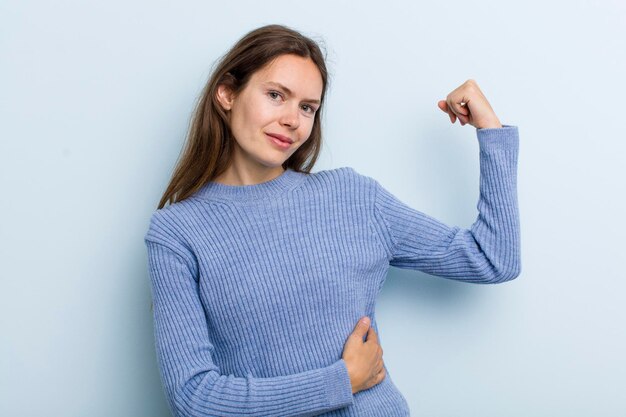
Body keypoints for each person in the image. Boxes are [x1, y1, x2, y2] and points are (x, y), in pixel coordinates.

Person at [144, 24, 520, 417]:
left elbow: (493, 258)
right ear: (227, 93)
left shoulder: (352, 197)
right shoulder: (176, 233)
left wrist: (491, 132)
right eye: (276, 95)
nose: (293, 119)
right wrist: (342, 381)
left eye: (307, 107)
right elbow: (194, 399)